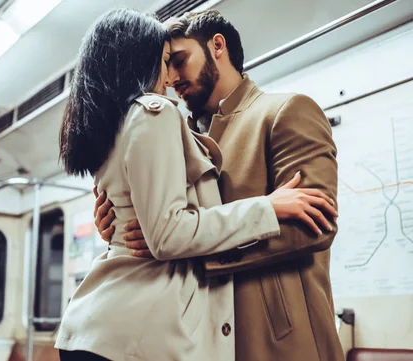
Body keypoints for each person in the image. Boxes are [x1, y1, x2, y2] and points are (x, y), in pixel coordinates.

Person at [56, 8, 336, 361]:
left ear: (217, 46)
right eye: (165, 63)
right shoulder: (170, 126)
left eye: (179, 60)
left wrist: (188, 254)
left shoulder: (285, 111)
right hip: (204, 333)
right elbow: (167, 228)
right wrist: (122, 224)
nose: (170, 77)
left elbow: (313, 226)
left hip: (274, 334)